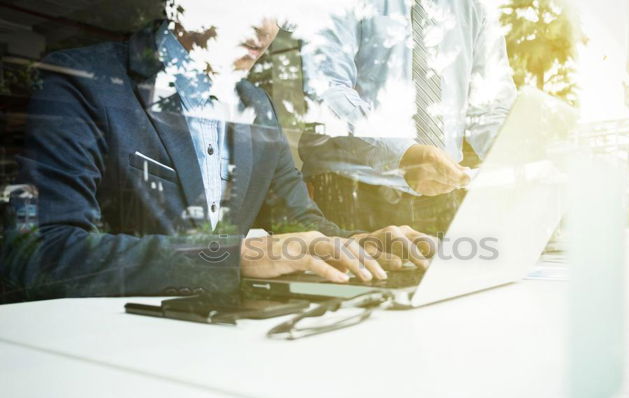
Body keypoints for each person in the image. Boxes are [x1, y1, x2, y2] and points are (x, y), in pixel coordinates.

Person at [1, 7, 435, 301]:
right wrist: (238, 256)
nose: (265, 27)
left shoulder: (258, 104)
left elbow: (300, 223)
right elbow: (38, 255)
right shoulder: (82, 82)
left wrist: (357, 246)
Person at [300, 0, 517, 233]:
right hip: (351, 191)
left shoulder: (474, 6)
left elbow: (490, 107)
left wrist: (521, 157)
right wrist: (403, 154)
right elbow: (327, 91)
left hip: (444, 194)